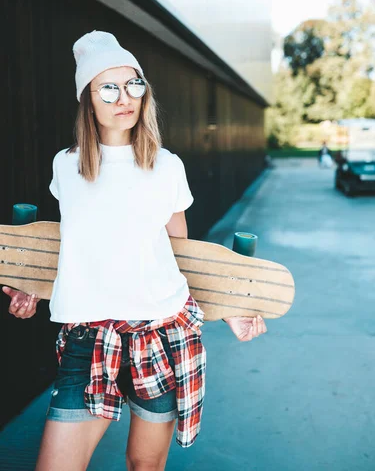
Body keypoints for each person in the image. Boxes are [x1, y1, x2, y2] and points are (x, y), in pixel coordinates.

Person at [3, 31, 266, 471]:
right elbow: (72, 245)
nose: (125, 97)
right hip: (88, 339)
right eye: (109, 87)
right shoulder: (65, 165)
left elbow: (182, 254)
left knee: (145, 465)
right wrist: (30, 288)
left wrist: (230, 306)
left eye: (134, 84)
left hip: (159, 334)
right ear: (87, 98)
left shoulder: (166, 166)